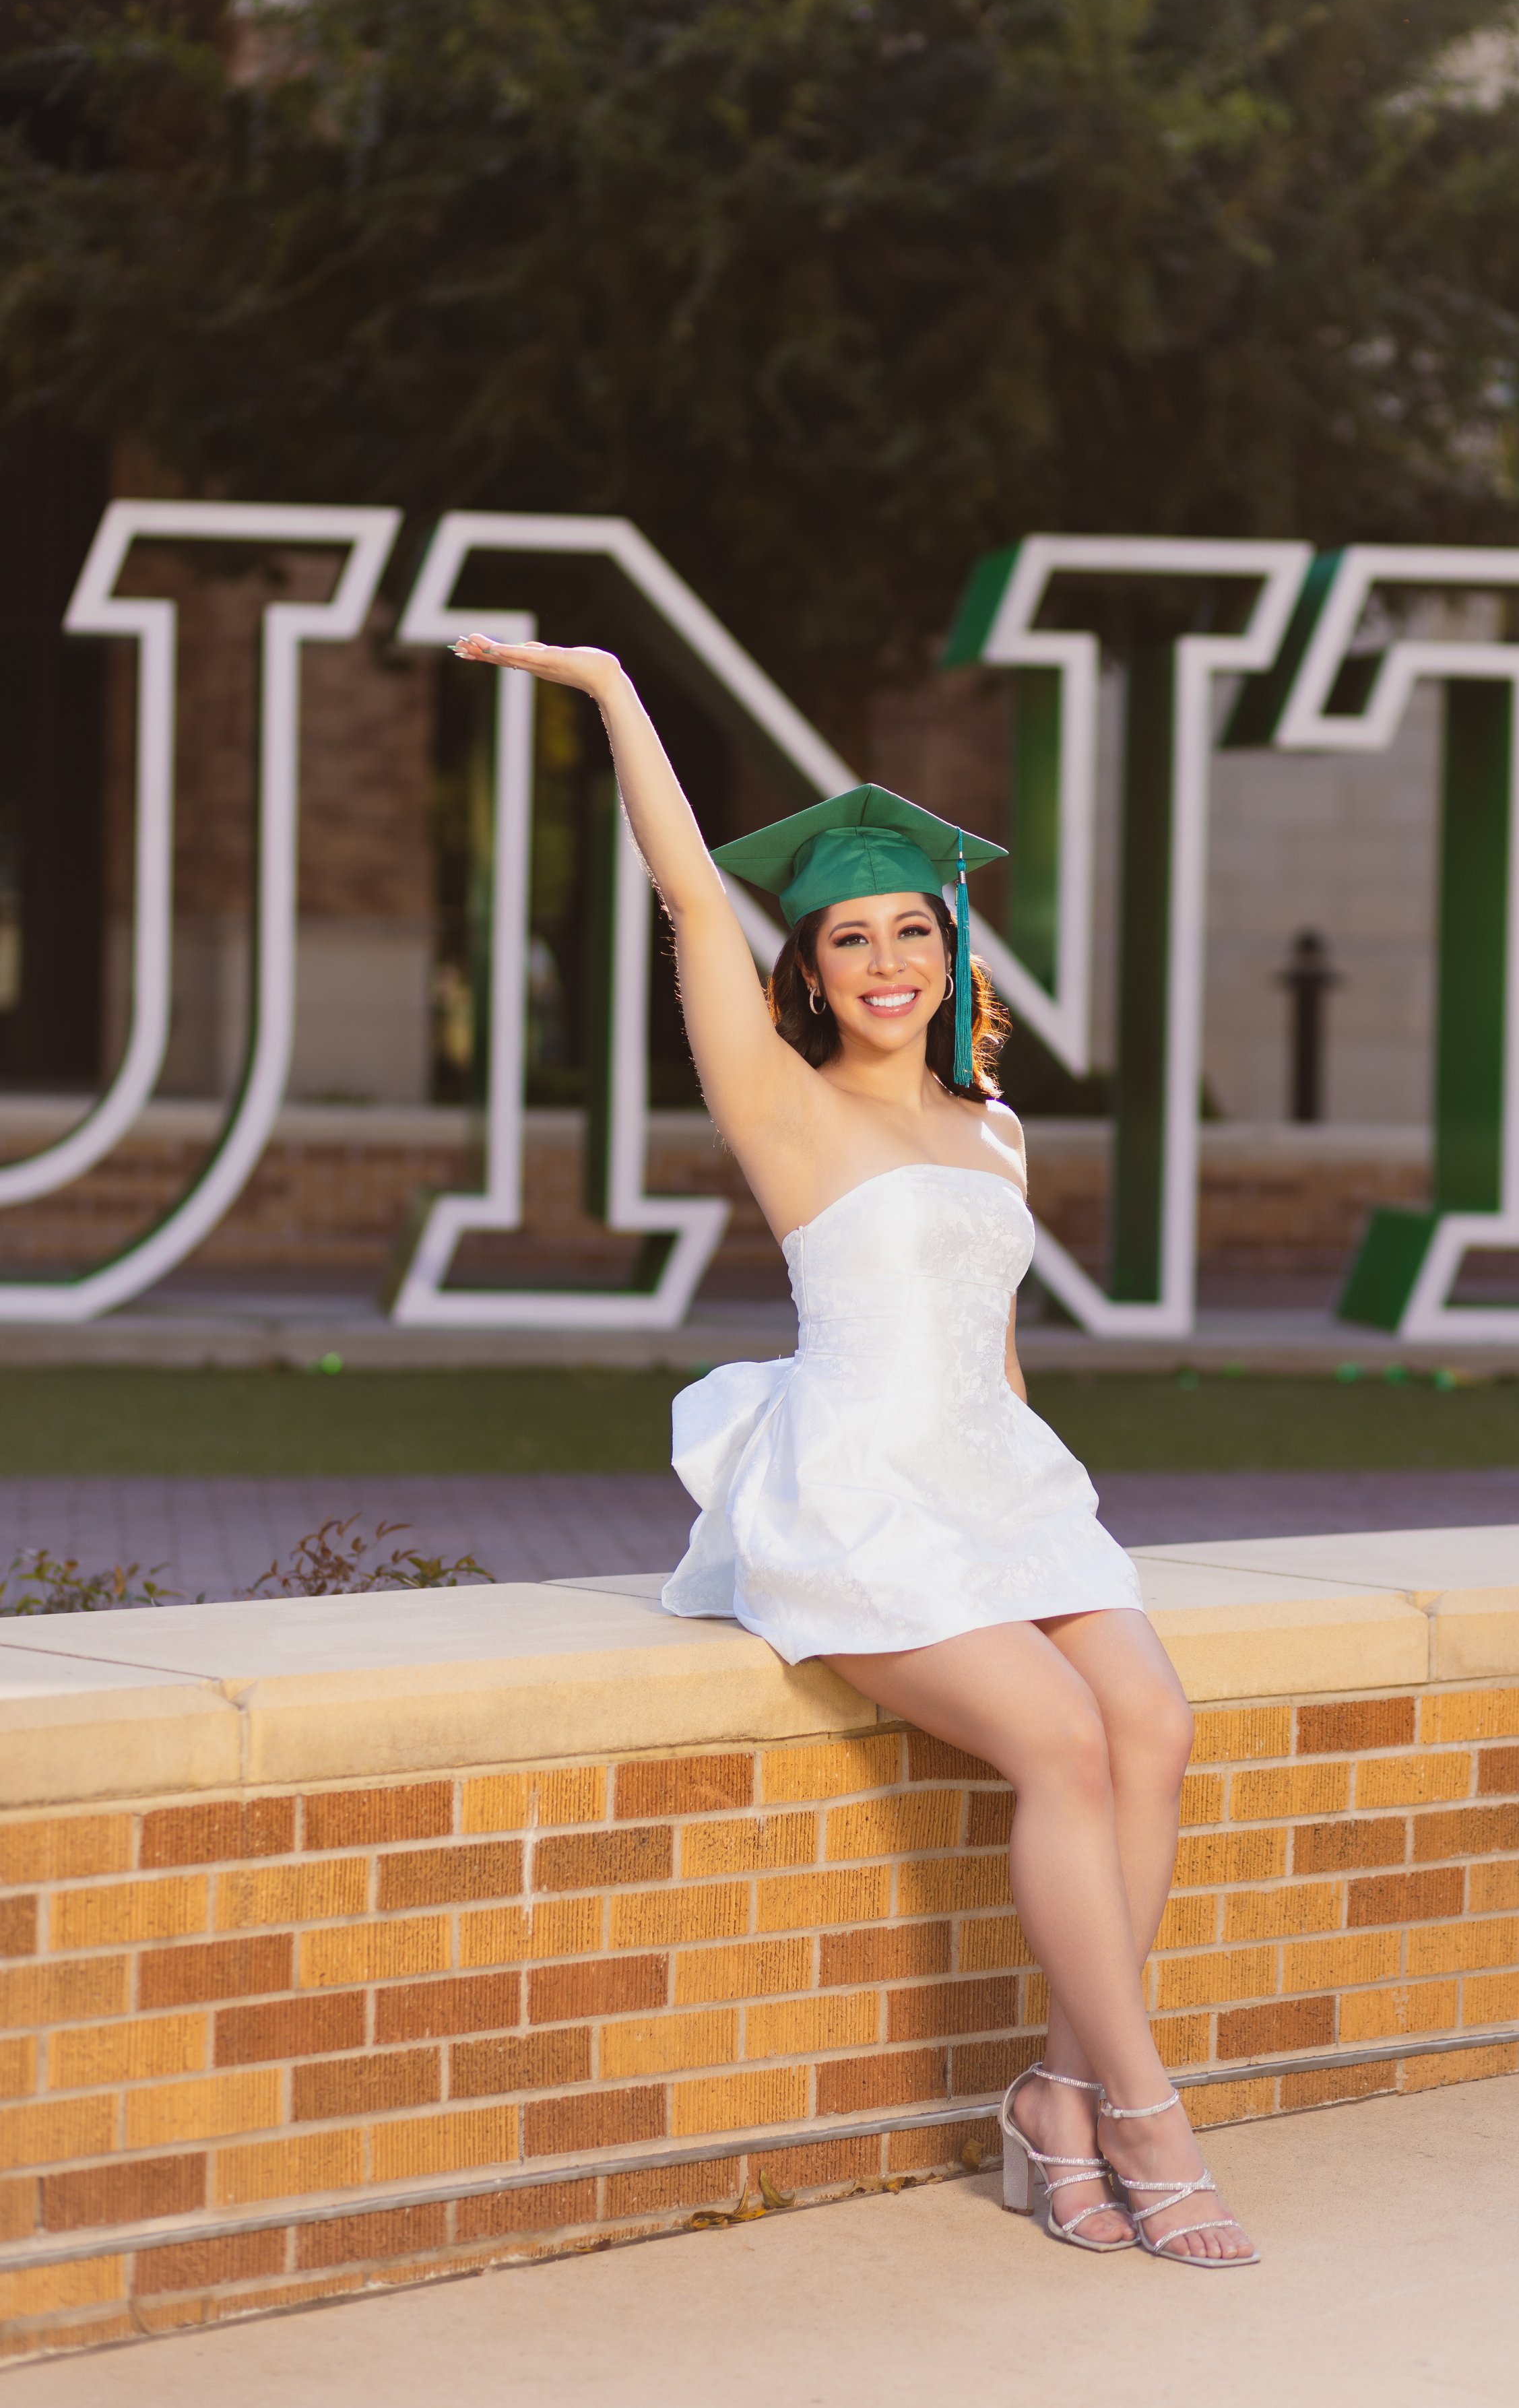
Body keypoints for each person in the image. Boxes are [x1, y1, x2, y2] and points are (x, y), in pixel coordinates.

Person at [453, 631, 1258, 2266]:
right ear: (807, 971)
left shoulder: (990, 1122)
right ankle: (1147, 2113)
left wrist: (1042, 1506)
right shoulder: (784, 1105)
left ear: (949, 950)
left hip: (995, 1474)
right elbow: (691, 898)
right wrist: (612, 688)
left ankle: (1049, 2092)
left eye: (911, 926)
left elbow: (997, 1337)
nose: (884, 956)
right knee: (1058, 1739)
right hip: (860, 1489)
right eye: (847, 936)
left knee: (1152, 1724)